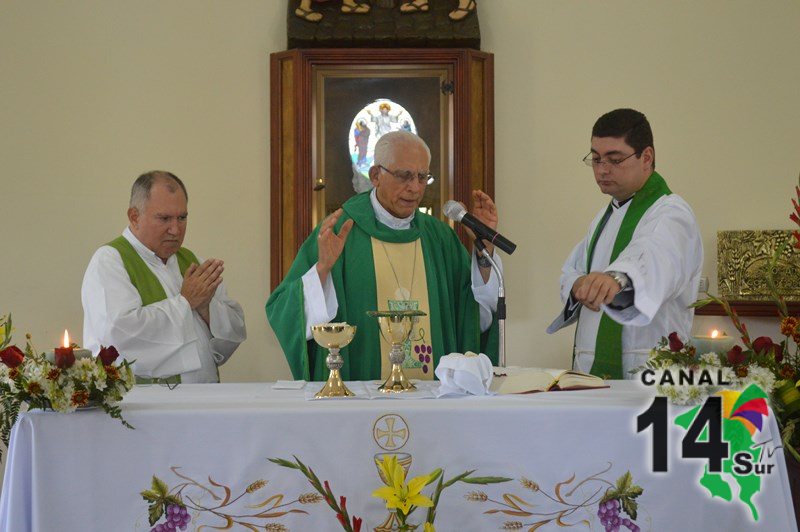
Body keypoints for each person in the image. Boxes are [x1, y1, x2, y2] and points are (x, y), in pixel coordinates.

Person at [267, 131, 501, 381]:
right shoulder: (340, 229)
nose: (415, 187)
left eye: (423, 177)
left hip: (433, 397)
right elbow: (283, 309)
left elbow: (471, 314)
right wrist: (323, 268)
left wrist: (484, 251)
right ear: (376, 176)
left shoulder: (439, 237)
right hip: (359, 394)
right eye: (404, 176)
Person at [547, 109, 703, 379]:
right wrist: (579, 285)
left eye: (615, 159)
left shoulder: (672, 213)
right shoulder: (603, 219)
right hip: (591, 377)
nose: (602, 169)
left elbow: (654, 255)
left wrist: (616, 279)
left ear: (647, 157)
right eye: (596, 159)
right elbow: (573, 270)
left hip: (647, 374)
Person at [82, 171, 246, 383]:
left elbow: (232, 336)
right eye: (164, 218)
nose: (176, 229)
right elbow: (118, 337)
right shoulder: (110, 261)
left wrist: (207, 309)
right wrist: (185, 303)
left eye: (182, 217)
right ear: (134, 216)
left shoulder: (193, 260)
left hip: (204, 399)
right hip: (144, 406)